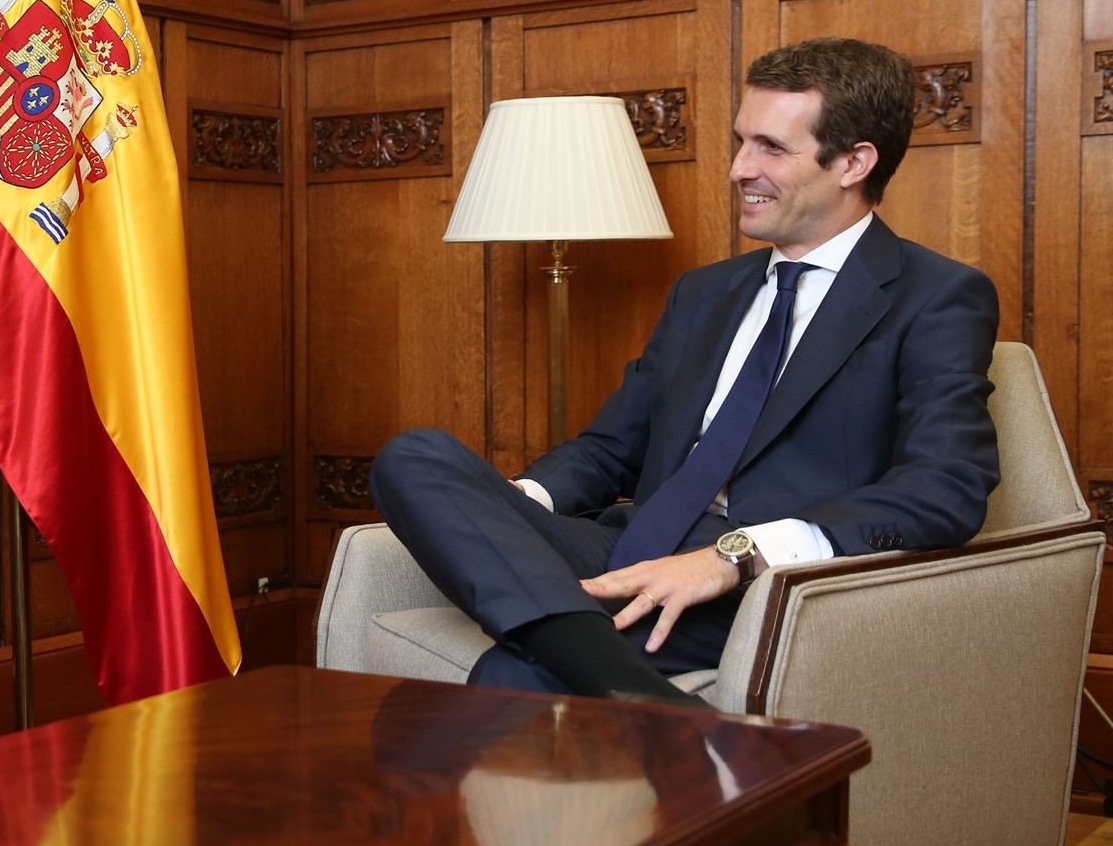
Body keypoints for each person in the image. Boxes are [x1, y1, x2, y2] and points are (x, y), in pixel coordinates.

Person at [370, 37, 1000, 706]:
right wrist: (507, 508)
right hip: (629, 546)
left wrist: (731, 557)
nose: (737, 169)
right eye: (740, 141)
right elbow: (609, 450)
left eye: (769, 147)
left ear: (853, 162)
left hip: (755, 588)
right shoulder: (704, 294)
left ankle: (593, 669)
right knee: (414, 458)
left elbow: (946, 488)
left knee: (515, 673)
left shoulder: (934, 296)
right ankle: (639, 690)